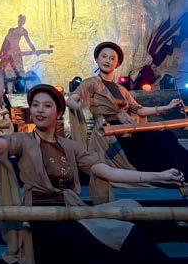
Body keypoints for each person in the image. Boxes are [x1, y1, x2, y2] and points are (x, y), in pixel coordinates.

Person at [0, 80, 188, 264]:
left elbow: (107, 171)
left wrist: (159, 175)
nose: (39, 110)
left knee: (130, 210)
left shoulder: (71, 147)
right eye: (35, 105)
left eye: (47, 105)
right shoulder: (22, 141)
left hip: (72, 213)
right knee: (125, 233)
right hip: (45, 223)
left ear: (58, 113)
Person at [66, 42, 187, 191]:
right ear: (97, 59)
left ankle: (180, 176)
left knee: (167, 137)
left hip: (128, 128)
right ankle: (168, 178)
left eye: (112, 58)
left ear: (117, 64)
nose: (107, 60)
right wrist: (76, 105)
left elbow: (140, 110)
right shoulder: (91, 83)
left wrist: (167, 106)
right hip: (109, 133)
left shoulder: (121, 89)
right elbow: (72, 99)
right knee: (161, 140)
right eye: (104, 56)